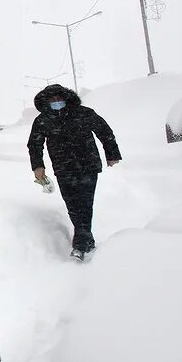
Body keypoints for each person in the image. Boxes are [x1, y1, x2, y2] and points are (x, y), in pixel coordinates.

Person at [28, 84, 121, 260]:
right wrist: (38, 166)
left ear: (66, 98)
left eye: (59, 98)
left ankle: (79, 246)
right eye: (52, 100)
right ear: (46, 102)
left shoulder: (83, 113)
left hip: (88, 166)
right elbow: (34, 145)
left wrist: (112, 154)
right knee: (73, 207)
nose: (56, 102)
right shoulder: (43, 120)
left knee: (85, 204)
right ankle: (88, 240)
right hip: (63, 169)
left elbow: (104, 131)